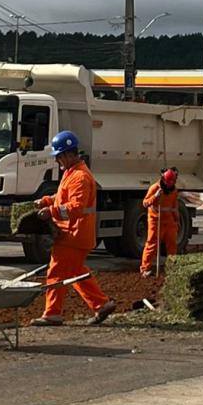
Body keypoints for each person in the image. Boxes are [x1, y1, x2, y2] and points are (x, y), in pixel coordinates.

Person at [31, 131, 116, 326]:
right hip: (75, 233)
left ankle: (52, 313)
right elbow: (63, 197)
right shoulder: (72, 173)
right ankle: (101, 304)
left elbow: (76, 208)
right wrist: (45, 201)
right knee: (76, 272)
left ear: (69, 154)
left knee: (56, 272)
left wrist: (50, 212)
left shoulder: (79, 176)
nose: (57, 161)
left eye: (59, 156)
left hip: (73, 234)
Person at [140, 168, 180, 278]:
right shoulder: (155, 188)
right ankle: (145, 269)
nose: (169, 185)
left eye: (172, 182)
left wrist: (177, 220)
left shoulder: (174, 190)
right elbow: (145, 203)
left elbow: (174, 207)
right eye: (168, 183)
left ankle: (172, 268)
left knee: (172, 245)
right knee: (152, 244)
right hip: (155, 221)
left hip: (169, 222)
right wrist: (155, 196)